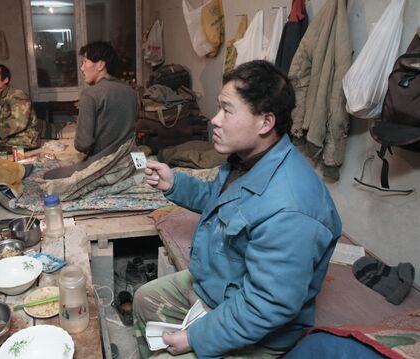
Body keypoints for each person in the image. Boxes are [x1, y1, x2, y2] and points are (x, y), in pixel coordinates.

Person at [134, 60, 342, 358]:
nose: (214, 120)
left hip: (258, 325)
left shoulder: (291, 209)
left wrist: (195, 337)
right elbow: (223, 201)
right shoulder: (247, 159)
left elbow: (266, 304)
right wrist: (174, 184)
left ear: (265, 122)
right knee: (143, 298)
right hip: (221, 286)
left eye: (227, 110)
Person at [44, 41, 137, 179]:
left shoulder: (90, 94)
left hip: (103, 163)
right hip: (128, 161)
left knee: (48, 176)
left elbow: (83, 143)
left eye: (85, 62)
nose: (82, 68)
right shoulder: (130, 91)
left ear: (100, 64)